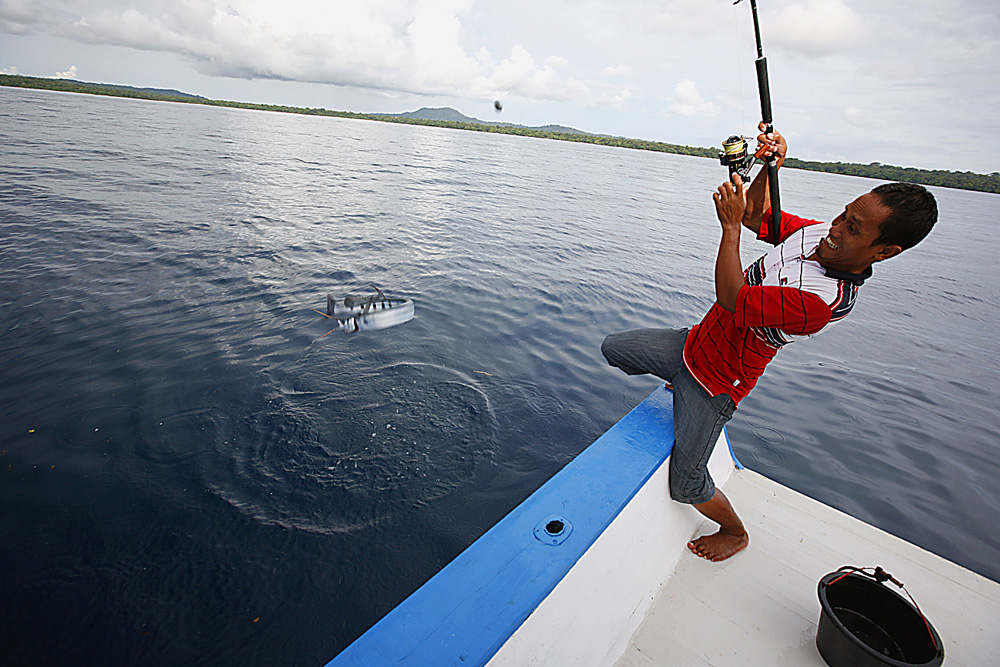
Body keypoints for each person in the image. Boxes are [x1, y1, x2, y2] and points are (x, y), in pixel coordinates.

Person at [601, 123, 938, 562]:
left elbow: (732, 298)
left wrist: (729, 228)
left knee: (685, 484)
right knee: (614, 347)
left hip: (716, 383)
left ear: (885, 251)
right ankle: (675, 383)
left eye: (853, 229)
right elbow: (759, 216)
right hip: (690, 347)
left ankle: (735, 531)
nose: (835, 229)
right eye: (843, 214)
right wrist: (767, 164)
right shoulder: (817, 234)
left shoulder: (824, 302)